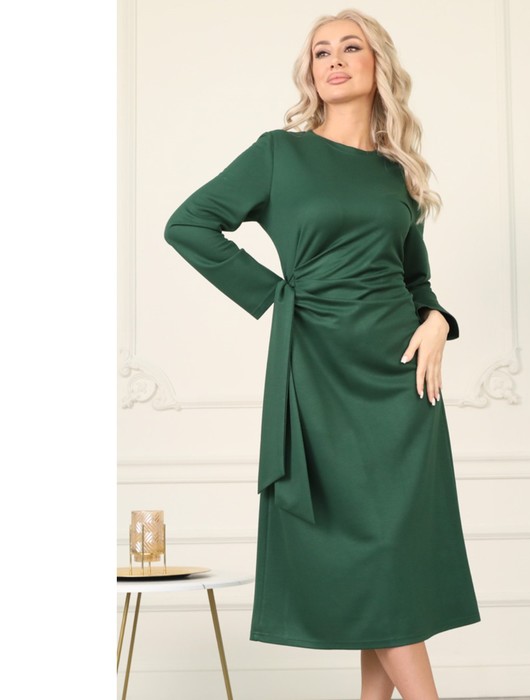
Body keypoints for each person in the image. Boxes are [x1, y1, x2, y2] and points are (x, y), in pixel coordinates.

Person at [164, 8, 480, 700]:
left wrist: (437, 320)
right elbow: (189, 225)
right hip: (319, 370)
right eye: (320, 52)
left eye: (349, 47)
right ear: (309, 72)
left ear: (378, 64)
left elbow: (415, 279)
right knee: (367, 552)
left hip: (402, 383)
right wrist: (277, 297)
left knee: (390, 559)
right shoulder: (280, 154)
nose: (333, 60)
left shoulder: (398, 174)